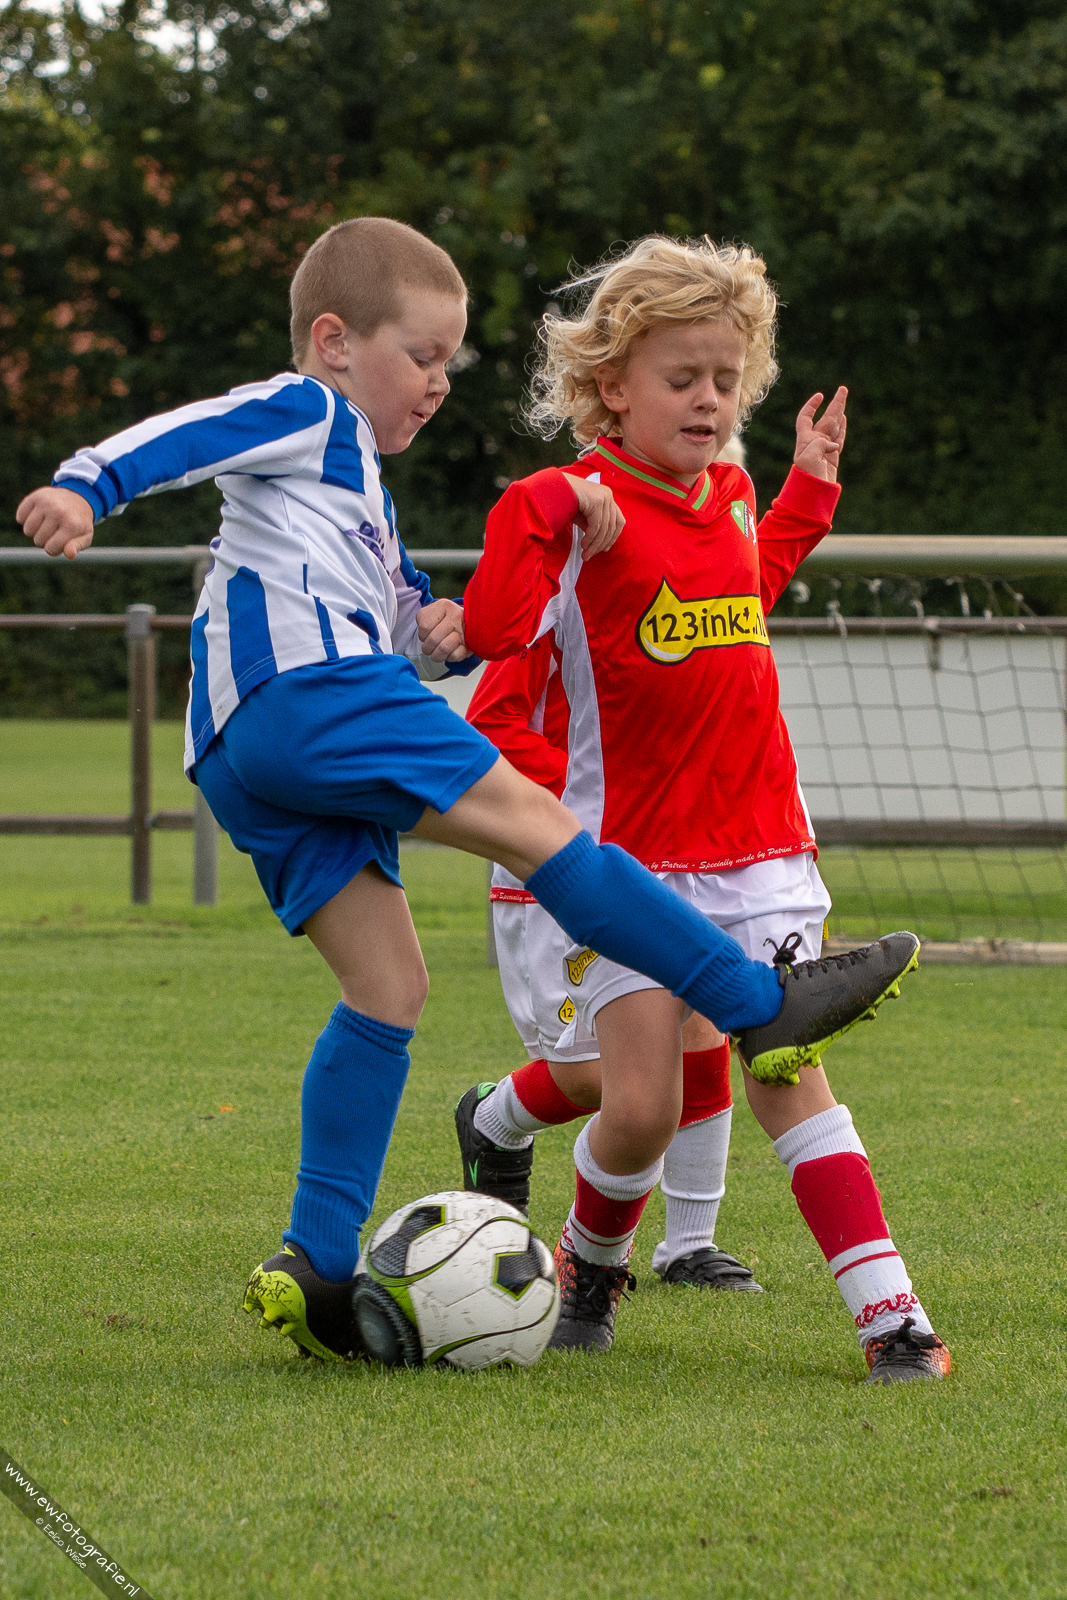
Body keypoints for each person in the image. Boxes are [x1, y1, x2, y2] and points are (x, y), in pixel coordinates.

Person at [17, 217, 918, 1368]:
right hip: (309, 694)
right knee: (545, 829)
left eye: (449, 361)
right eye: (422, 356)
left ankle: (315, 1262)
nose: (438, 382)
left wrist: (436, 625)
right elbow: (189, 434)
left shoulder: (359, 491)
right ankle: (753, 1000)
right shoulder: (309, 410)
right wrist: (85, 486)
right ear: (334, 342)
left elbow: (408, 614)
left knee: (388, 986)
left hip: (241, 753)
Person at [460, 235, 947, 1384]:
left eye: (726, 378)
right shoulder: (578, 518)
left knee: (786, 1068)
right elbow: (497, 679)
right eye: (681, 377)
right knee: (637, 1106)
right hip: (625, 865)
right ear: (609, 385)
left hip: (759, 848)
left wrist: (805, 493)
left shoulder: (727, 490)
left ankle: (892, 1321)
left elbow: (738, 593)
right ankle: (588, 1267)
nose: (709, 400)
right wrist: (545, 836)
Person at [461, 559, 762, 1293]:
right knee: (604, 1077)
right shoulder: (547, 592)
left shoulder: (664, 583)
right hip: (556, 866)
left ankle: (689, 1245)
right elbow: (490, 726)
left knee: (696, 1025)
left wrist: (809, 502)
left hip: (655, 852)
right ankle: (495, 1119)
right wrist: (603, 785)